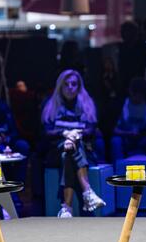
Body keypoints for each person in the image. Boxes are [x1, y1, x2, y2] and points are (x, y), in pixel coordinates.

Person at [41, 69, 106, 218]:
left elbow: (91, 130)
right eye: (66, 84)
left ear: (79, 86)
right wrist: (64, 134)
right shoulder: (51, 106)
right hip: (55, 152)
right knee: (66, 151)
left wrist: (75, 136)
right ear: (60, 86)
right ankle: (87, 192)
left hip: (83, 151)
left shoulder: (87, 105)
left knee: (68, 154)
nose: (70, 87)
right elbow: (46, 132)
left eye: (74, 84)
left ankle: (66, 208)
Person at [110, 77, 146, 163]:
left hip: (144, 140)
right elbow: (114, 129)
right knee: (115, 141)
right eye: (136, 94)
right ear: (131, 92)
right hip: (126, 140)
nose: (138, 97)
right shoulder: (122, 105)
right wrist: (128, 133)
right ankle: (118, 168)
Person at [117, 21, 146, 102]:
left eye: (123, 31)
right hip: (126, 87)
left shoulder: (144, 49)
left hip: (138, 87)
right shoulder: (145, 48)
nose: (121, 34)